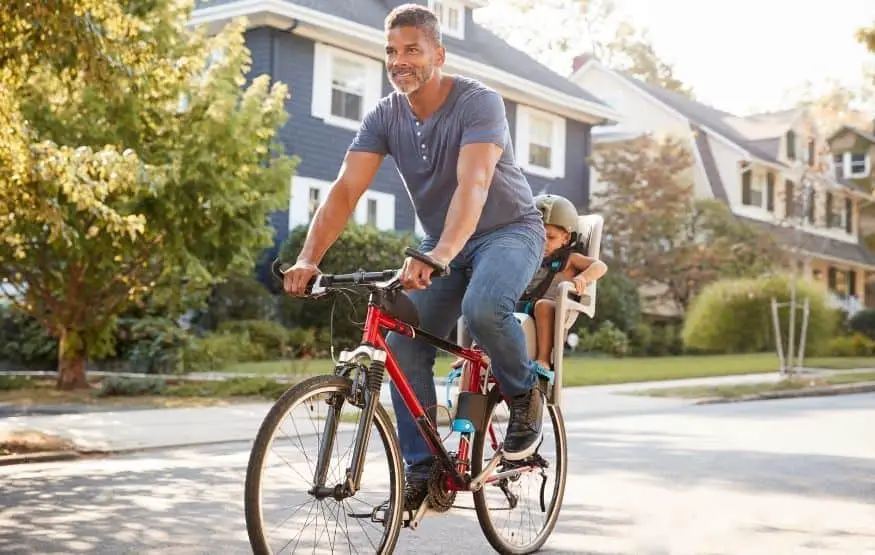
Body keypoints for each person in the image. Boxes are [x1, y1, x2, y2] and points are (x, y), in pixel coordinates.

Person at [281, 3, 548, 510]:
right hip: (442, 241)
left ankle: (523, 394)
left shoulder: (479, 103)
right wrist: (308, 258)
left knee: (483, 307)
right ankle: (423, 473)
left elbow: (475, 184)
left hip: (509, 230)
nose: (399, 60)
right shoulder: (384, 116)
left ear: (439, 54)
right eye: (391, 51)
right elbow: (344, 191)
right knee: (401, 341)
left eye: (412, 50)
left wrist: (442, 252)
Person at [517, 194, 608, 373]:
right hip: (526, 307)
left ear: (565, 238)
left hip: (556, 310)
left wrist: (583, 278)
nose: (543, 244)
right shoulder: (531, 259)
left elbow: (600, 266)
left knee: (543, 306)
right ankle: (477, 355)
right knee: (492, 303)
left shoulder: (570, 259)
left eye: (550, 238)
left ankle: (543, 360)